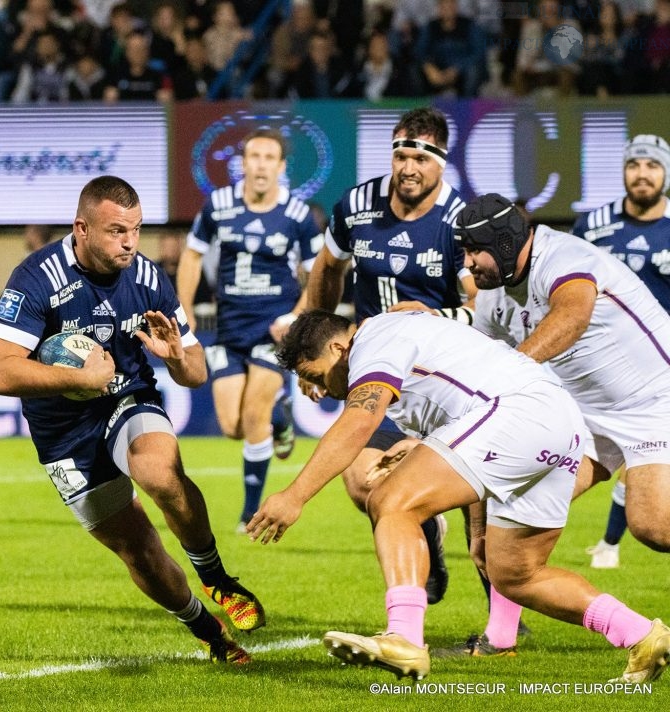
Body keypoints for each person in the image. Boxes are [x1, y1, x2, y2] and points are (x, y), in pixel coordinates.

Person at [247, 308, 670, 683]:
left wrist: (295, 495)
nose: (319, 388)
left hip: (517, 414)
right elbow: (460, 389)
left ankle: (405, 637)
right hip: (559, 426)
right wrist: (417, 448)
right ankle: (642, 634)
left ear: (339, 347)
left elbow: (360, 420)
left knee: (390, 501)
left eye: (315, 375)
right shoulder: (397, 330)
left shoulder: (371, 343)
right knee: (516, 574)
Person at [0, 175, 264, 664]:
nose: (130, 242)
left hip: (125, 399)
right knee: (140, 552)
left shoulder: (149, 277)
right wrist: (75, 376)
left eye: (136, 229)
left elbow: (195, 370)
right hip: (62, 434)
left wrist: (175, 356)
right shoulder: (37, 278)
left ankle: (215, 575)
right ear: (82, 228)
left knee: (158, 471)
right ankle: (207, 629)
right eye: (116, 231)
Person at [448, 191, 670, 655]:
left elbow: (573, 314)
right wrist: (479, 525)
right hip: (585, 417)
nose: (468, 265)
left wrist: (509, 370)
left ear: (506, 244)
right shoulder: (492, 297)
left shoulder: (562, 254)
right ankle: (500, 638)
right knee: (509, 528)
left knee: (654, 526)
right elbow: (482, 379)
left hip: (653, 398)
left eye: (474, 250)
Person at [304, 107, 476, 605]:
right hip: (379, 375)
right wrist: (315, 340)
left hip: (447, 379)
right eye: (400, 155)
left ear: (441, 163)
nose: (407, 168)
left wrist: (427, 318)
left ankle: (503, 620)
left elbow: (478, 306)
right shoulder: (356, 205)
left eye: (419, 159)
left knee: (476, 499)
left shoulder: (461, 219)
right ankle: (424, 550)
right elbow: (327, 269)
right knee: (363, 484)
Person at [176, 128, 323, 532]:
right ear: (242, 164)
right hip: (229, 330)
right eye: (253, 156)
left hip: (273, 332)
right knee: (232, 426)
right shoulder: (219, 205)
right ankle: (282, 417)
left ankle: (249, 513)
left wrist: (295, 318)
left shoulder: (298, 216)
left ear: (280, 167)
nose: (259, 164)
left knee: (252, 412)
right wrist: (184, 311)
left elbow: (318, 275)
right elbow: (191, 257)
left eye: (268, 158)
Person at [571, 133, 670, 568]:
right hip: (601, 377)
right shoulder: (592, 227)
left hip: (660, 375)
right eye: (635, 165)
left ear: (665, 173)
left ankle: (608, 546)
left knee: (646, 474)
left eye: (652, 165)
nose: (642, 174)